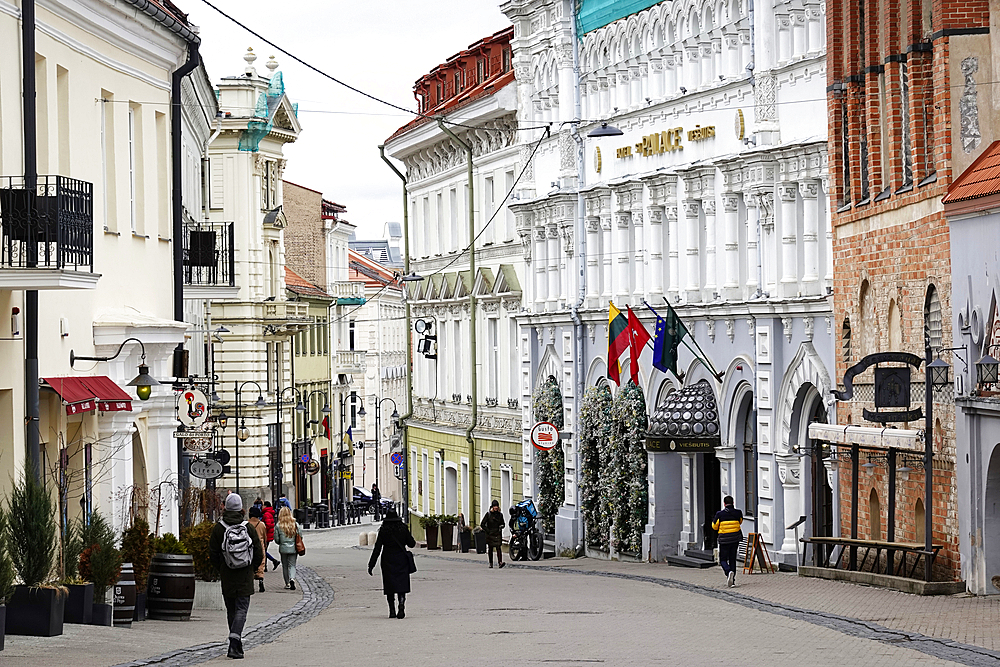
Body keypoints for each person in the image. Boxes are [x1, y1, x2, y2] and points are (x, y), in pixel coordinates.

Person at [209, 493, 263, 659]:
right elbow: (259, 552)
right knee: (242, 609)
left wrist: (222, 568)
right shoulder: (248, 527)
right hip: (245, 575)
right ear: (241, 508)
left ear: (225, 507)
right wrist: (252, 569)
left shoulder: (219, 528)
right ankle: (235, 642)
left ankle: (234, 644)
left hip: (228, 575)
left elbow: (213, 554)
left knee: (231, 609)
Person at [367, 507, 416, 619]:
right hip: (401, 559)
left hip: (387, 559)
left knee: (389, 585)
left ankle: (392, 610)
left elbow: (377, 548)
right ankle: (402, 603)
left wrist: (371, 564)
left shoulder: (384, 530)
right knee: (402, 584)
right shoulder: (403, 528)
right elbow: (412, 544)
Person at [712, 495, 744, 588]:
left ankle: (728, 571)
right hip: (735, 538)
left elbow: (714, 526)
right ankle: (733, 581)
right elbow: (740, 522)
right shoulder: (738, 513)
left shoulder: (719, 514)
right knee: (732, 558)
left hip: (724, 540)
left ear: (724, 504)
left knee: (723, 559)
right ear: (733, 503)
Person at [274, 506, 301, 590]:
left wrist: (281, 543)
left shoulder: (278, 525)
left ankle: (287, 583)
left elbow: (277, 539)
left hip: (283, 548)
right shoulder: (295, 524)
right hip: (293, 548)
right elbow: (300, 536)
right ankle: (292, 578)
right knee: (292, 565)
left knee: (285, 566)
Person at [248, 506, 268, 592]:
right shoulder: (262, 524)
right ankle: (260, 580)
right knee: (261, 563)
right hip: (260, 545)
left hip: (249, 546)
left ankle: (250, 582)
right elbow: (264, 536)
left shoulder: (247, 524)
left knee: (250, 563)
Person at [480, 500, 505, 569]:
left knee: (498, 548)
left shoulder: (500, 515)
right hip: (490, 534)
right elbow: (482, 524)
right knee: (490, 548)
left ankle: (500, 562)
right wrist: (488, 530)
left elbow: (503, 523)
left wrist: (501, 527)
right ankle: (491, 563)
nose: (496, 507)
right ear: (492, 507)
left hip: (497, 533)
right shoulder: (488, 514)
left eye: (497, 506)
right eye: (494, 506)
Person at [261, 501, 279, 571]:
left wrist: (263, 529)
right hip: (268, 535)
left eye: (263, 505)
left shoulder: (266, 514)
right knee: (264, 550)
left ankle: (273, 561)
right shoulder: (269, 513)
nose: (262, 507)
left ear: (265, 506)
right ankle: (267, 565)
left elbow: (267, 525)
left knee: (263, 551)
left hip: (266, 535)